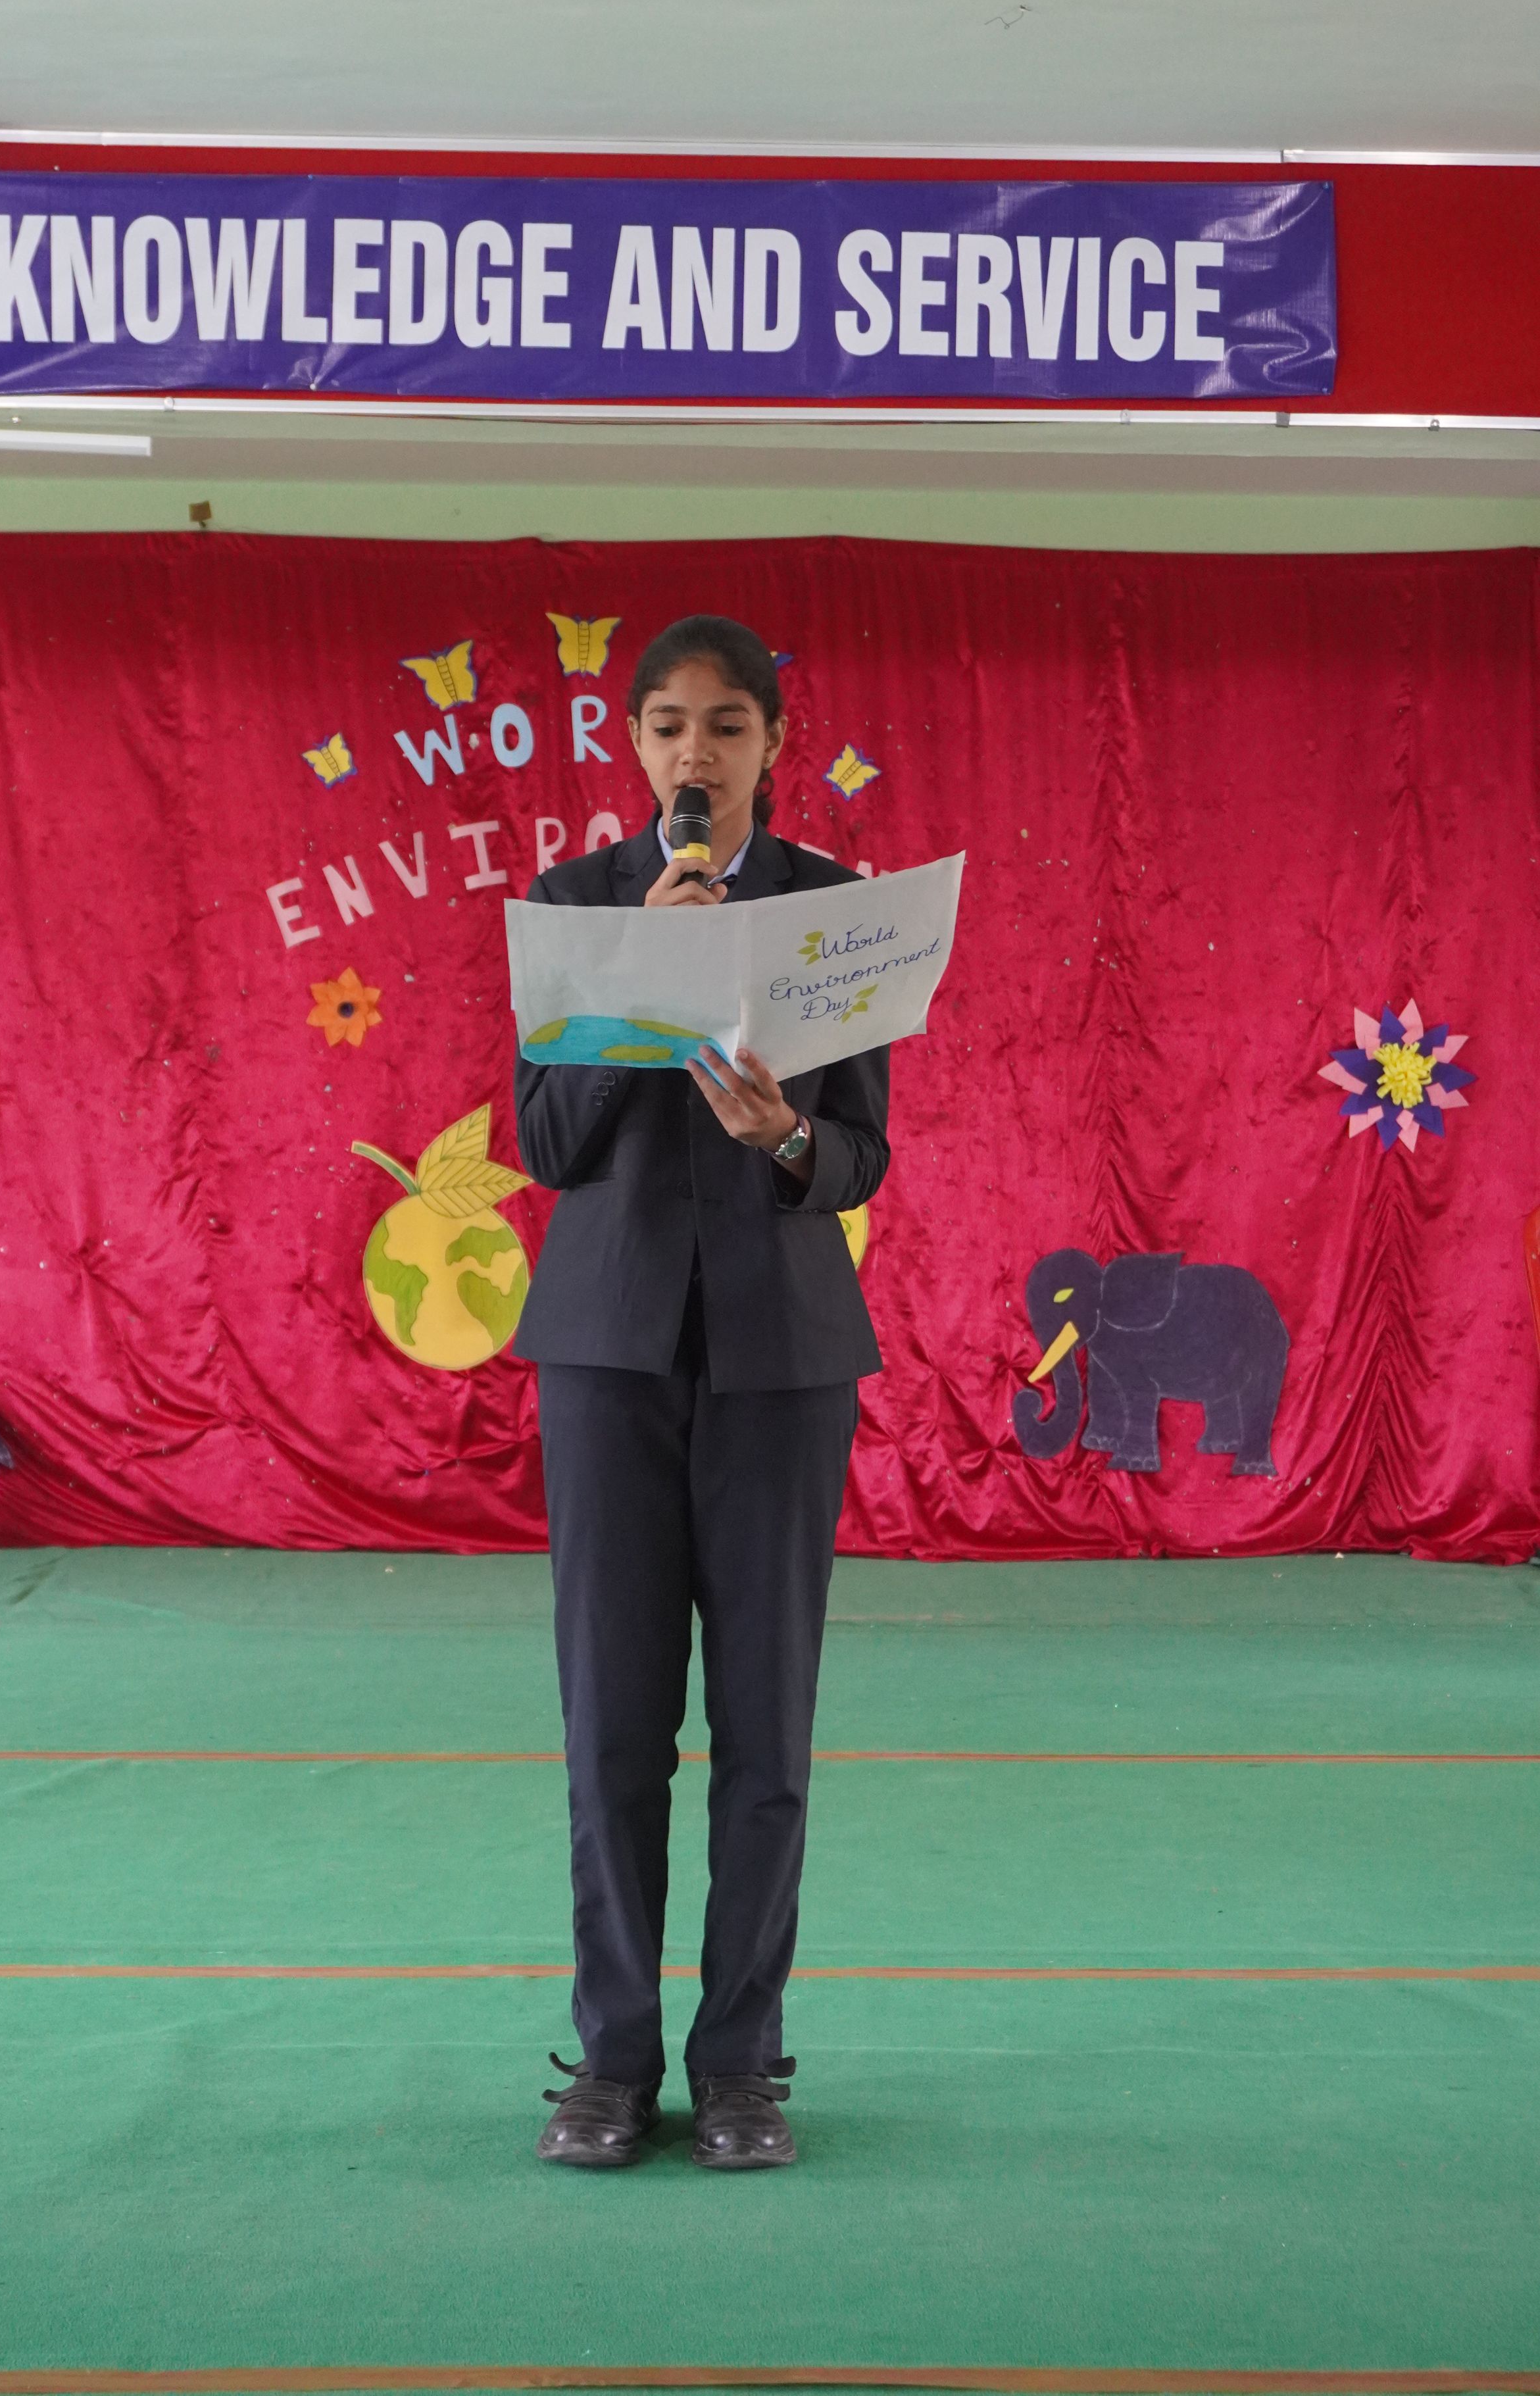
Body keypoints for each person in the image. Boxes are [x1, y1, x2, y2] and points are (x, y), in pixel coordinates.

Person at [509, 613, 891, 2172]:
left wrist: (783, 1136)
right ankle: (611, 2061)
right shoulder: (576, 903)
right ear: (634, 744)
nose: (695, 750)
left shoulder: (833, 910)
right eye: (668, 722)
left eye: (727, 723)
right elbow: (546, 1141)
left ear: (771, 744)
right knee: (612, 1724)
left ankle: (742, 2062)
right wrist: (646, 981)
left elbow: (860, 1152)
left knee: (766, 1729)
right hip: (606, 1350)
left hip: (782, 1356)